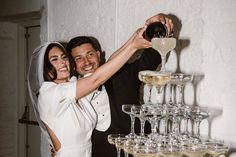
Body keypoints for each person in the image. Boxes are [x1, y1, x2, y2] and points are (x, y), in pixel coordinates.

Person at [27, 26, 151, 157]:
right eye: (54, 59)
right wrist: (133, 46)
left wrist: (135, 36)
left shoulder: (74, 86)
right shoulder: (49, 93)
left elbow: (105, 66)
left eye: (63, 57)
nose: (62, 62)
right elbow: (96, 79)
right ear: (46, 68)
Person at [65, 13, 174, 157]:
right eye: (79, 58)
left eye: (90, 54)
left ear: (98, 55)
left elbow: (151, 58)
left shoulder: (123, 75)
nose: (86, 62)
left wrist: (162, 26)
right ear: (72, 65)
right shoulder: (70, 93)